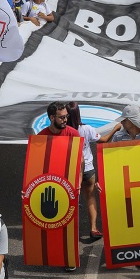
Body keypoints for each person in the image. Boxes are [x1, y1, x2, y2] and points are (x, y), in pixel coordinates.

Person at [37, 102, 103, 243]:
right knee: (59, 209)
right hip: (55, 180)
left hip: (73, 178)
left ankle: (84, 233)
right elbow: (36, 163)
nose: (65, 119)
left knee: (73, 208)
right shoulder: (41, 136)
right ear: (52, 118)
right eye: (62, 117)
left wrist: (78, 181)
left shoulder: (73, 133)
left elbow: (80, 160)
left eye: (66, 116)